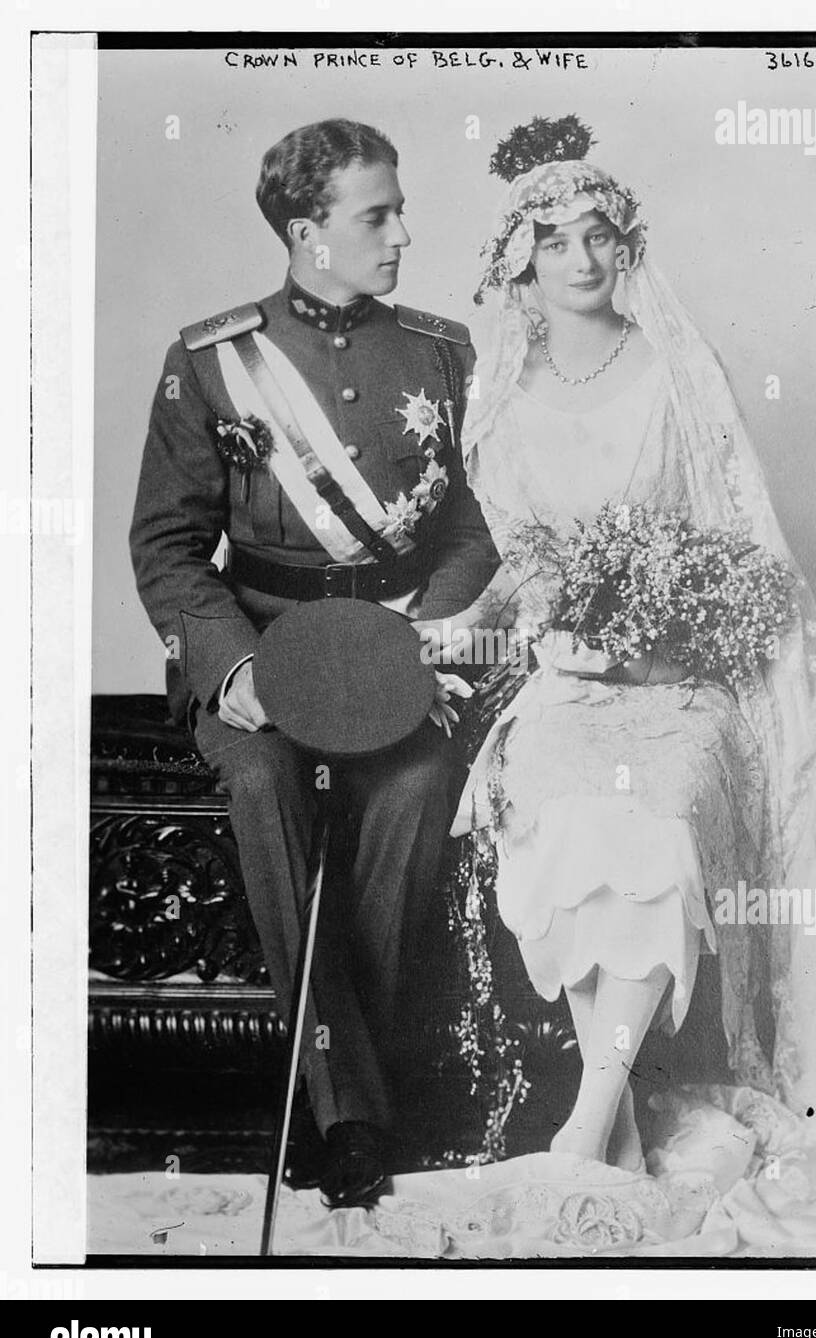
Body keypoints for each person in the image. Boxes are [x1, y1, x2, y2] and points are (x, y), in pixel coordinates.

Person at [449, 118, 816, 1230]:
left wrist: (673, 626)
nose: (583, 258)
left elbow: (735, 547)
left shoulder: (671, 375)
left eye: (601, 234)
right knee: (571, 839)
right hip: (565, 685)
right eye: (556, 240)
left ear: (626, 248)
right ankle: (605, 1123)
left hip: (680, 686)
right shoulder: (500, 401)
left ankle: (587, 1108)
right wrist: (484, 624)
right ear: (521, 260)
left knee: (653, 836)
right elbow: (521, 564)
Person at [129, 118, 499, 1207]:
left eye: (397, 210)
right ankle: (358, 1115)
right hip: (265, 652)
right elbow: (165, 546)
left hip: (394, 652)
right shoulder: (211, 359)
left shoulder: (441, 352)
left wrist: (424, 641)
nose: (402, 235)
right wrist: (233, 669)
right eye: (376, 215)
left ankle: (339, 1105)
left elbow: (472, 532)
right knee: (263, 777)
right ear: (308, 231)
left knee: (422, 781)